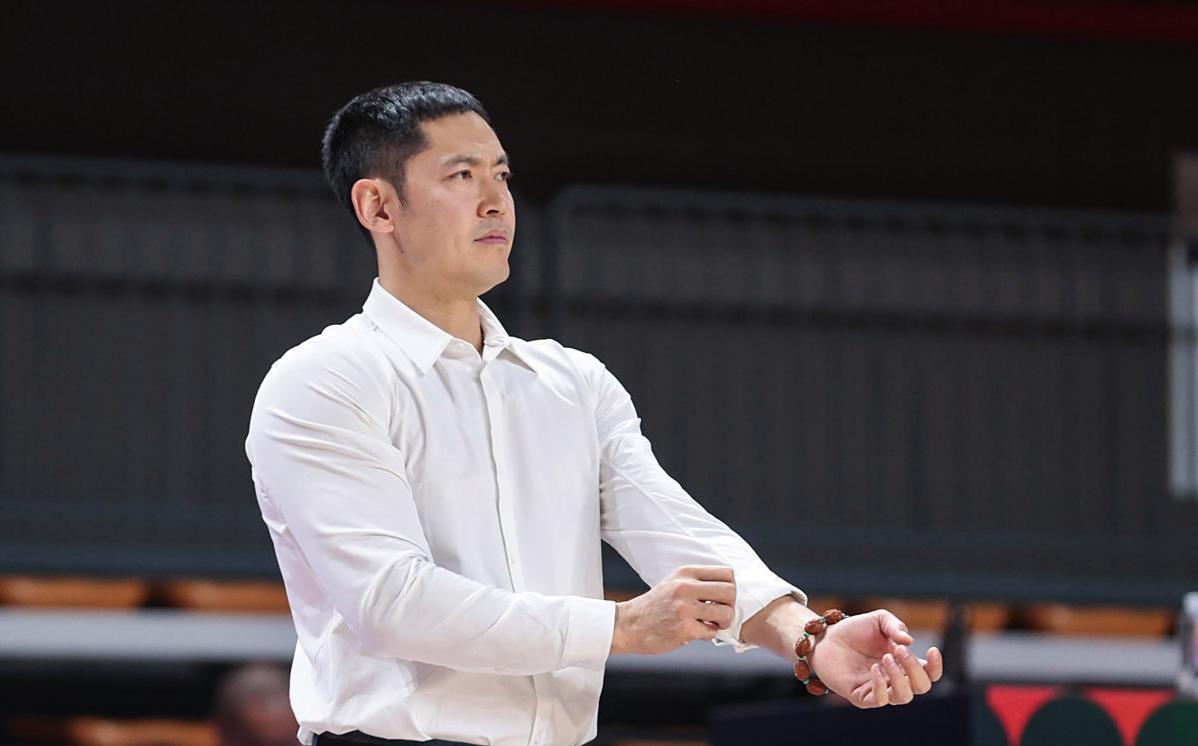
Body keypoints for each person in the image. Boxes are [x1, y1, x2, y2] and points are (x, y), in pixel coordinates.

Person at [244, 81, 943, 746]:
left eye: (502, 176)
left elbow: (671, 528)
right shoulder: (322, 381)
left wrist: (807, 635)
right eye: (462, 176)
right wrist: (621, 627)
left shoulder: (574, 382)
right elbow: (393, 603)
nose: (496, 201)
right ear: (378, 206)